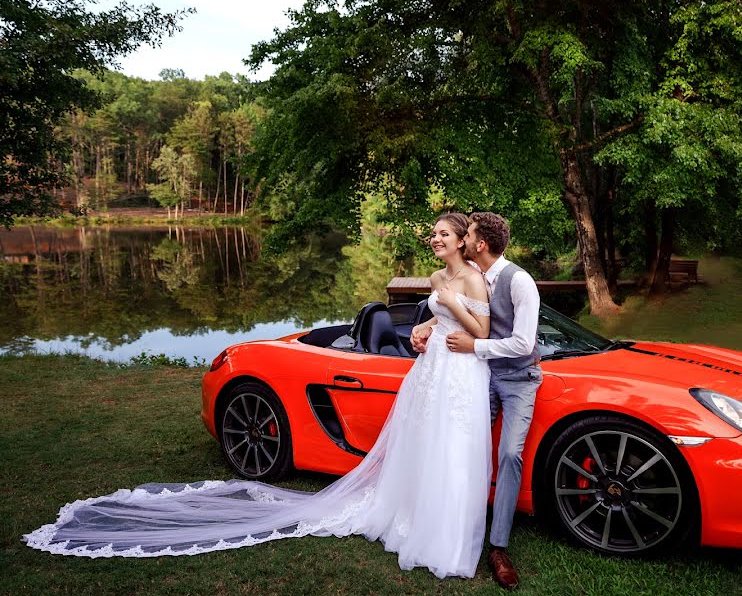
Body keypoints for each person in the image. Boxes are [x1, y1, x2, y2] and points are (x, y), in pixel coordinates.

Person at [24, 213, 494, 580]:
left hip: (460, 372)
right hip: (431, 368)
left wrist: (448, 312)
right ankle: (424, 525)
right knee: (428, 446)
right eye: (432, 233)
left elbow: (482, 330)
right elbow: (443, 316)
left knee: (452, 451)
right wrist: (430, 325)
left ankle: (447, 533)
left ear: (461, 241)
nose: (434, 239)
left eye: (442, 234)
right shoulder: (436, 280)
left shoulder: (471, 280)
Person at [421, 212, 542, 591]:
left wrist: (476, 346)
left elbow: (523, 342)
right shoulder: (469, 271)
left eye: (467, 234)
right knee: (460, 439)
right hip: (482, 375)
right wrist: (425, 326)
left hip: (519, 378)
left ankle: (499, 547)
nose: (462, 238)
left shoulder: (520, 281)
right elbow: (451, 311)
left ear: (479, 243)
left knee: (508, 453)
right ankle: (451, 519)